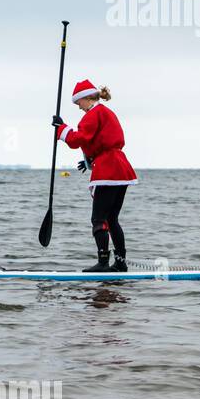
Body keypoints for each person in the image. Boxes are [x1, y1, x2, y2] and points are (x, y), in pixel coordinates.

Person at [52, 79, 137, 272]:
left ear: (86, 98)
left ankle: (103, 263)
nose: (78, 107)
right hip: (120, 167)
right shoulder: (107, 113)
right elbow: (103, 141)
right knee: (112, 219)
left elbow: (78, 139)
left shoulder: (93, 114)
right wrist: (90, 161)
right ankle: (121, 263)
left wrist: (61, 129)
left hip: (108, 169)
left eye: (78, 103)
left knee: (99, 219)